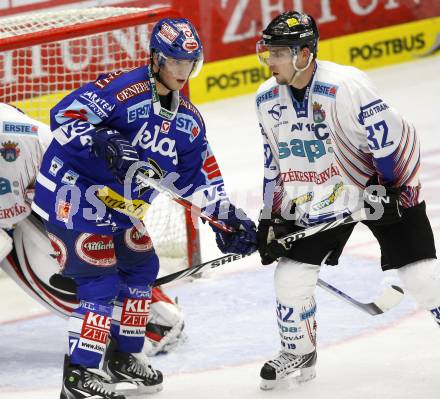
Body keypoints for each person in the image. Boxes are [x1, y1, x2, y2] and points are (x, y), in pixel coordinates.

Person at [32, 17, 257, 399]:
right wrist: (101, 139)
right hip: (74, 192)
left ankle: (125, 357)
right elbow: (63, 116)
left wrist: (227, 220)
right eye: (175, 63)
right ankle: (79, 376)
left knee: (141, 266)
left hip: (120, 206)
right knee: (99, 279)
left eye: (189, 64)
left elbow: (198, 179)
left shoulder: (187, 121)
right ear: (155, 59)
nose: (183, 73)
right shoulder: (122, 89)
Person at [255, 11, 438, 390]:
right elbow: (273, 163)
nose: (269, 61)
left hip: (377, 186)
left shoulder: (346, 86)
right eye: (267, 52)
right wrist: (270, 219)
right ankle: (299, 350)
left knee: (422, 277)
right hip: (318, 194)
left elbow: (389, 139)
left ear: (304, 54)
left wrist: (391, 190)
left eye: (277, 53)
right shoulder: (266, 99)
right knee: (290, 277)